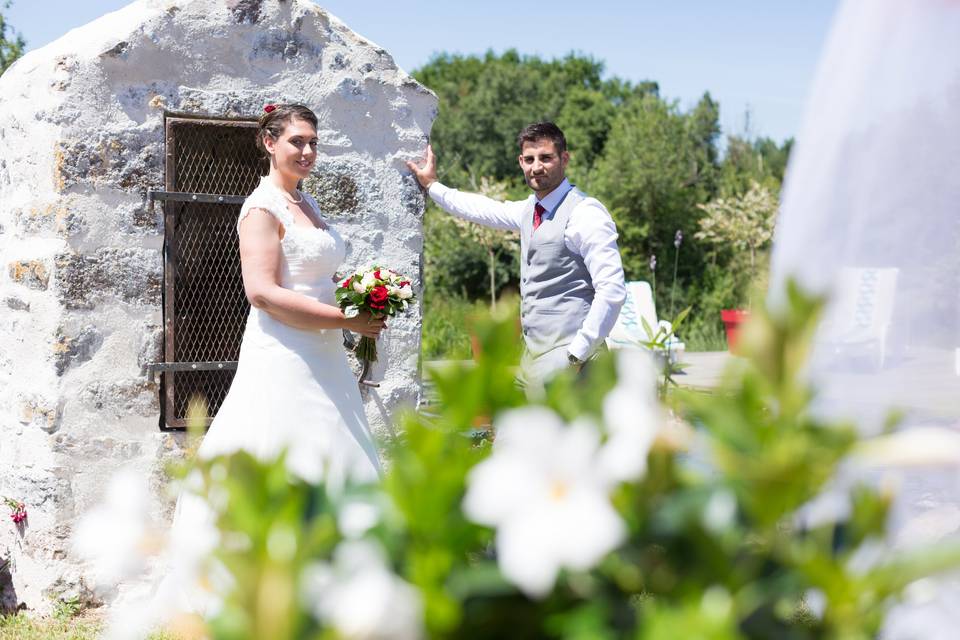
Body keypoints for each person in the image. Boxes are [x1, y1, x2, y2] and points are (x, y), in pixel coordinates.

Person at [406, 122, 626, 387]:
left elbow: (611, 290)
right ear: (521, 162)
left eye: (546, 158)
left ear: (564, 158)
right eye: (530, 159)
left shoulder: (585, 212)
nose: (536, 167)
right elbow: (482, 208)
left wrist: (575, 355)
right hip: (532, 360)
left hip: (576, 364)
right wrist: (432, 186)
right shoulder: (528, 210)